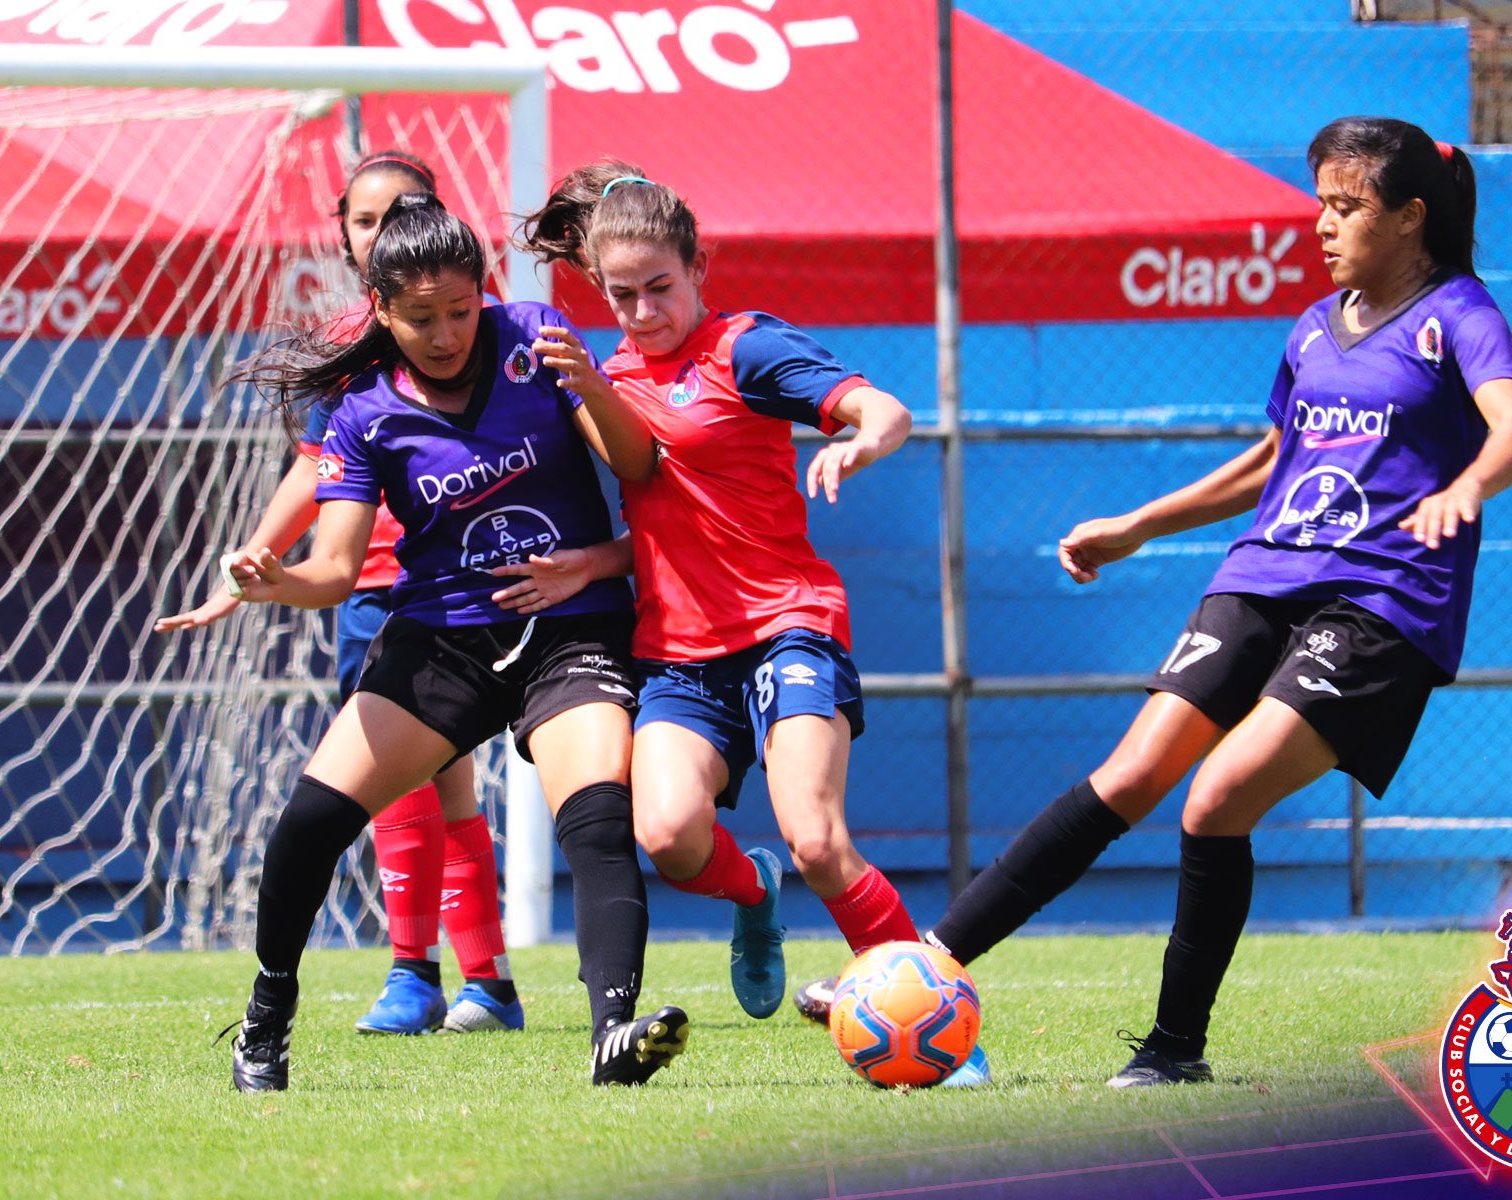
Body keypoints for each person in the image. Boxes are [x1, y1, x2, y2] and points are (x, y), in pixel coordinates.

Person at [800, 117, 1512, 1089]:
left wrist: (1467, 486)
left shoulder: (1460, 314)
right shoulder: (1316, 327)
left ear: (1409, 218)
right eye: (1318, 202)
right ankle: (925, 964)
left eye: (1345, 206)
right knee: (1132, 774)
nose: (1322, 225)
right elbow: (1276, 459)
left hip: (1380, 602)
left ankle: (1172, 1050)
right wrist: (1140, 523)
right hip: (1263, 575)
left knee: (1217, 798)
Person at [507, 162, 994, 1076]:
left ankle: (942, 1032)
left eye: (661, 287)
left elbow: (882, 407)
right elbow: (667, 506)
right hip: (678, 656)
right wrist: (597, 559)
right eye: (623, 294)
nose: (645, 309)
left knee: (815, 834)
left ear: (698, 269)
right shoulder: (605, 376)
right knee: (667, 836)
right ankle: (753, 892)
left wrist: (860, 440)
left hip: (786, 624)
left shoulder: (745, 348)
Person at [215, 191, 687, 1091]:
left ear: (486, 294)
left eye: (462, 312)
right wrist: (280, 581)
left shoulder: (537, 339)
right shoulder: (360, 413)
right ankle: (265, 1023)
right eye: (420, 318)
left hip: (569, 629)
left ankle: (612, 1035)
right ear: (380, 310)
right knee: (310, 823)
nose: (445, 334)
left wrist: (588, 383)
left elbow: (637, 466)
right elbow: (340, 569)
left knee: (595, 813)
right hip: (442, 641)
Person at [158, 151, 523, 1037]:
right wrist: (253, 564)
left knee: (448, 777)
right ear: (345, 233)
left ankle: (460, 977)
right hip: (363, 581)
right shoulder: (345, 346)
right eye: (366, 219)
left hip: (471, 581)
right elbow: (316, 468)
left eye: (406, 210)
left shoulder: (482, 326)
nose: (382, 227)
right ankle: (441, 976)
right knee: (418, 778)